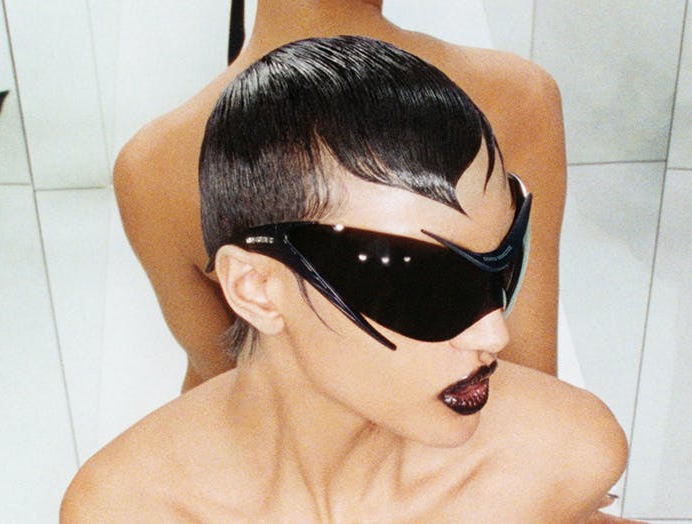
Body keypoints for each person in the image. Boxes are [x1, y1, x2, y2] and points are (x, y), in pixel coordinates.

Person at [62, 36, 626, 522]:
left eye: (503, 262)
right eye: (426, 286)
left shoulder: (563, 458)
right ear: (256, 288)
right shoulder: (128, 509)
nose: (494, 333)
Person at [114, 0, 565, 391]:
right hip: (469, 450)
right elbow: (531, 383)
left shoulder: (149, 166)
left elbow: (227, 391)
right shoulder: (515, 96)